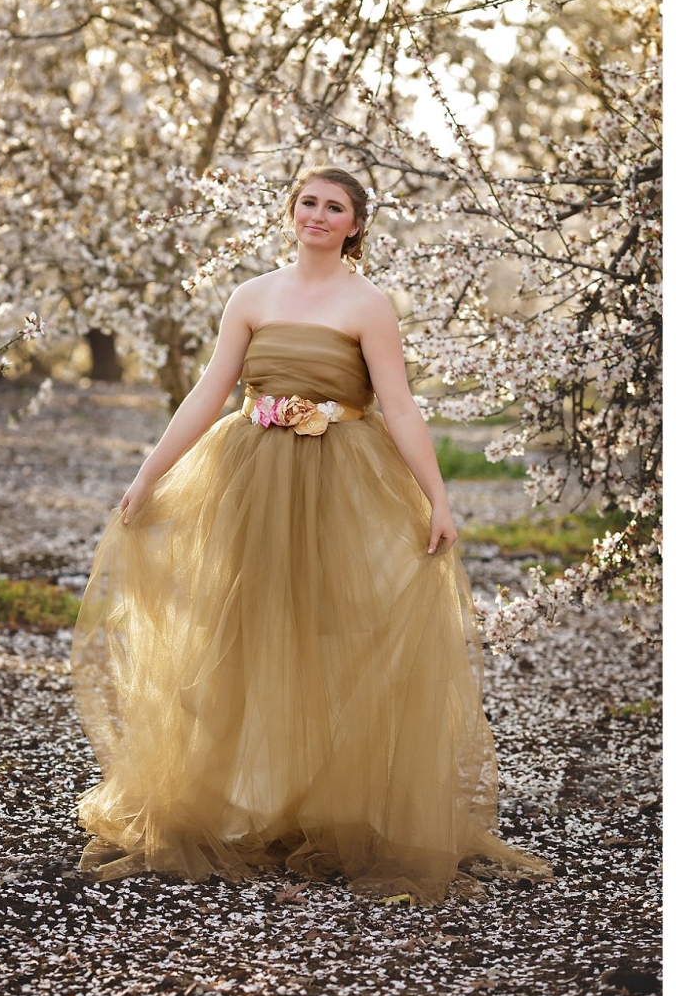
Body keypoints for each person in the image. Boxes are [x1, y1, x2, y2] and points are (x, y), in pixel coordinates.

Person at [71, 164, 549, 901]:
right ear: (291, 211)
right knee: (243, 631)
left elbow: (401, 408)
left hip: (342, 483)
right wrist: (150, 473)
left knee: (337, 633)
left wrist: (438, 498)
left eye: (335, 207)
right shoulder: (252, 295)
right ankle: (243, 800)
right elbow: (211, 390)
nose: (318, 215)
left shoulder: (369, 304)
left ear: (356, 224)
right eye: (308, 203)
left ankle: (331, 805)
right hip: (251, 482)